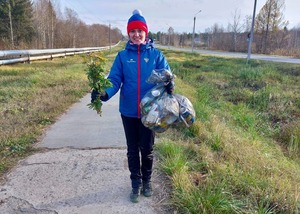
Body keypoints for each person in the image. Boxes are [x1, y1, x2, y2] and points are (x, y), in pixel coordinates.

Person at [91, 9, 174, 203]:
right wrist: (104, 93)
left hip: (151, 113)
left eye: (140, 31)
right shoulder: (121, 57)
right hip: (128, 111)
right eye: (133, 31)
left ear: (146, 32)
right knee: (132, 149)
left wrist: (170, 85)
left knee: (147, 148)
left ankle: (147, 181)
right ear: (128, 34)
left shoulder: (156, 55)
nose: (136, 34)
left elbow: (167, 77)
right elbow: (114, 79)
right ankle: (135, 184)